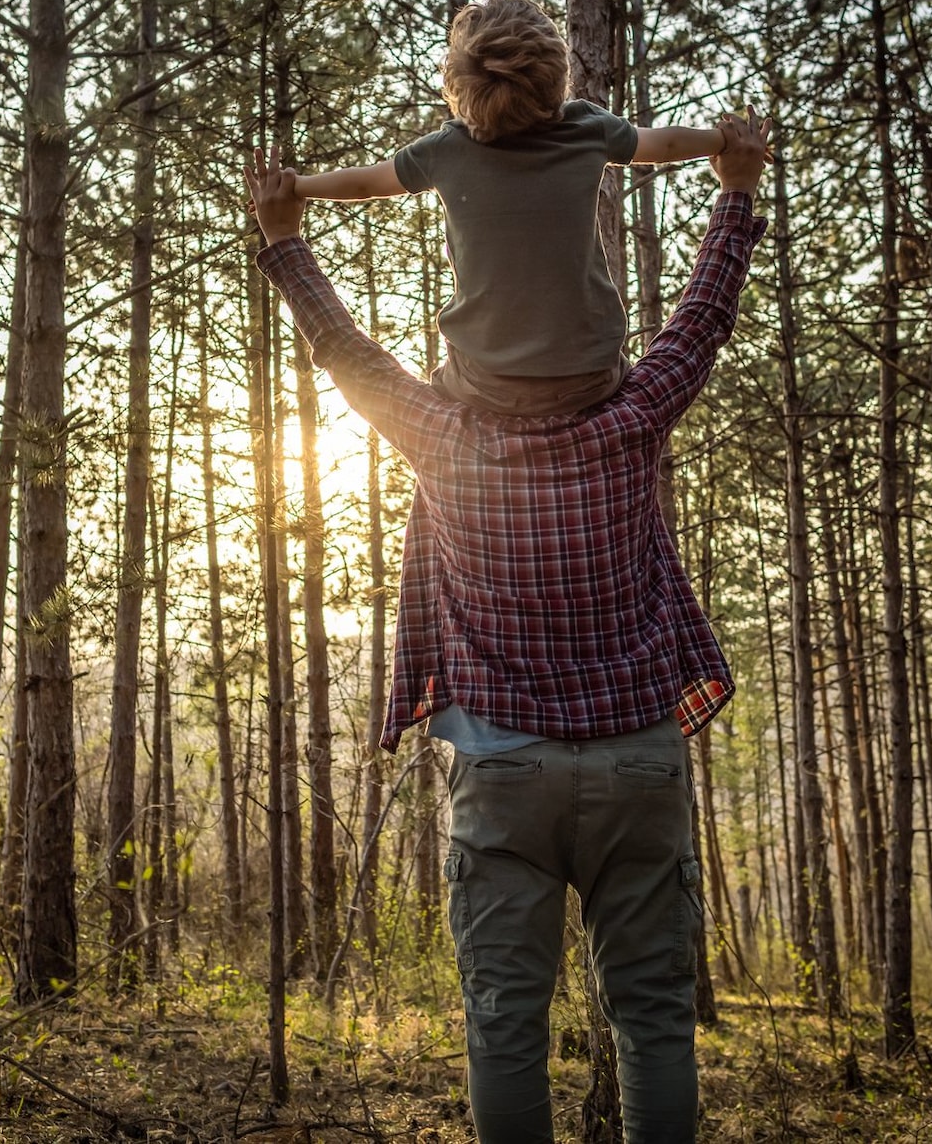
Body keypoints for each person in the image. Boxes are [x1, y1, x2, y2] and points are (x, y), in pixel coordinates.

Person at [244, 108, 774, 1143]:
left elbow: (345, 349)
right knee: (656, 1019)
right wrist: (736, 190)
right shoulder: (629, 424)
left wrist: (281, 237)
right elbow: (700, 319)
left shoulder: (440, 435)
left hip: (500, 766)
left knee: (503, 1023)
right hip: (635, 757)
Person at [291, 0, 731, 418]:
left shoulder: (446, 150)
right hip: (590, 377)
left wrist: (299, 186)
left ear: (460, 84)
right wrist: (723, 140)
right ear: (555, 73)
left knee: (439, 404)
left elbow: (368, 182)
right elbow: (665, 141)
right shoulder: (587, 129)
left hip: (485, 385)